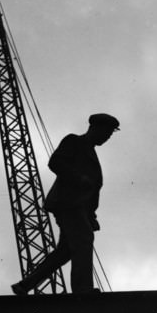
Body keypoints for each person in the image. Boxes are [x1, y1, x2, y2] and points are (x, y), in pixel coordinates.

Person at [11, 113, 120, 295]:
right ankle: (82, 289)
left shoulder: (90, 152)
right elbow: (55, 162)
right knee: (84, 240)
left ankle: (25, 285)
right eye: (107, 133)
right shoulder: (75, 141)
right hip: (68, 204)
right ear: (96, 128)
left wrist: (91, 215)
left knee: (66, 251)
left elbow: (92, 192)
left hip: (79, 208)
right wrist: (79, 178)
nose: (107, 138)